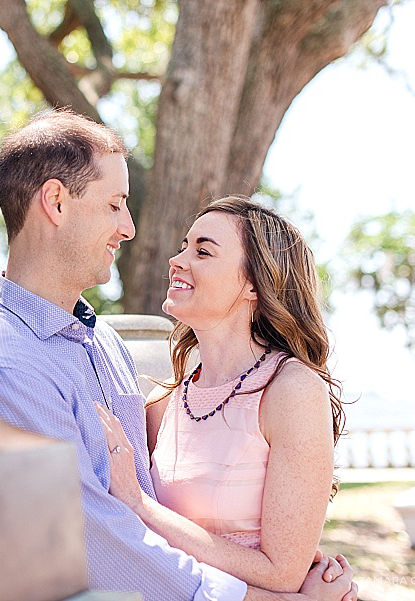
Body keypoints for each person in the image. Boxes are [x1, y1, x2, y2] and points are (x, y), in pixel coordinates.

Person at [0, 109, 357, 601]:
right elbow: (103, 550)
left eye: (203, 250)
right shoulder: (6, 372)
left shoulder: (105, 345)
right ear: (56, 203)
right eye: (115, 204)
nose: (129, 228)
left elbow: (149, 507)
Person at [96, 196, 343, 593]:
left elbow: (282, 572)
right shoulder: (162, 404)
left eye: (203, 251)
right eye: (183, 247)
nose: (177, 261)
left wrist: (142, 508)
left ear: (254, 284)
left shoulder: (290, 390)